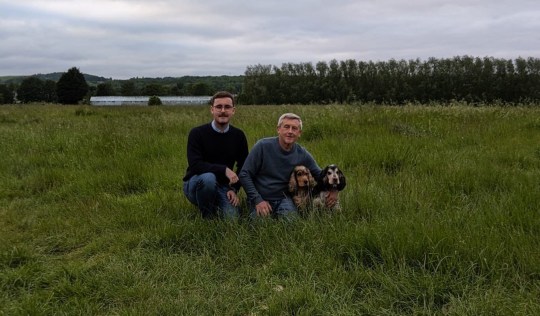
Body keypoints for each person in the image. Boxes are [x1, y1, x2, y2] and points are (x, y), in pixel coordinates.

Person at [239, 113, 336, 220]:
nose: (290, 131)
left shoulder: (302, 153)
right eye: (286, 127)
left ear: (299, 133)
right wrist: (257, 200)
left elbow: (319, 174)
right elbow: (244, 174)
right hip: (261, 197)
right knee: (258, 227)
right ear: (278, 129)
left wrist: (333, 189)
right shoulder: (262, 146)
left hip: (284, 199)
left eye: (294, 128)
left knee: (292, 225)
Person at [182, 91, 249, 219]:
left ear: (233, 110)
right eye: (219, 107)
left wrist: (234, 189)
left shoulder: (238, 136)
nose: (223, 111)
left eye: (227, 107)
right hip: (197, 183)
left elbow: (244, 166)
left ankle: (215, 204)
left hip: (223, 186)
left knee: (233, 219)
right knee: (209, 178)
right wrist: (224, 169)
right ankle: (207, 216)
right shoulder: (197, 133)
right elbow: (196, 165)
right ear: (212, 110)